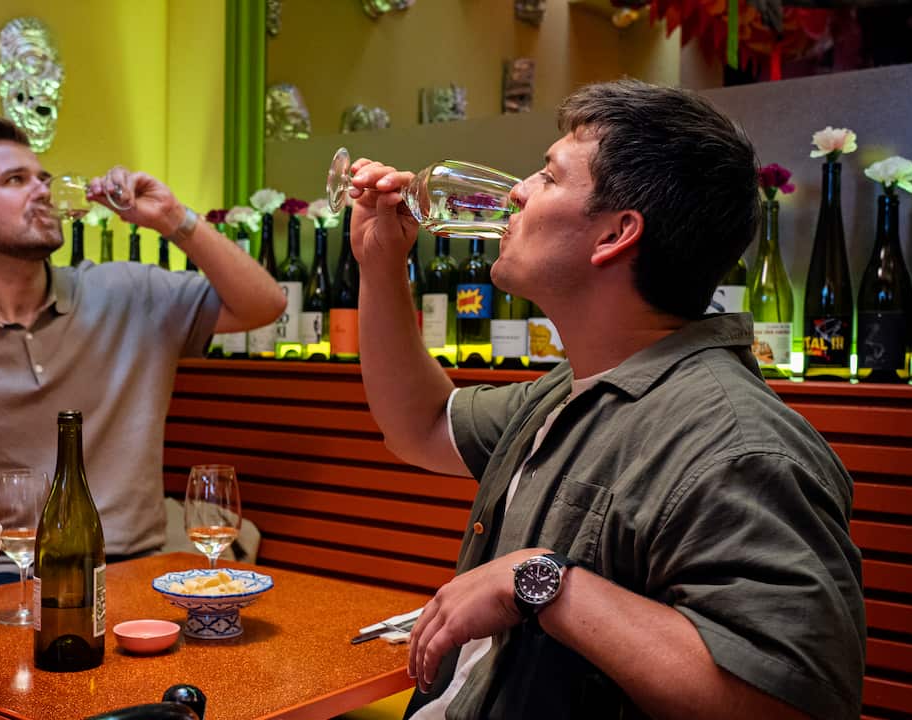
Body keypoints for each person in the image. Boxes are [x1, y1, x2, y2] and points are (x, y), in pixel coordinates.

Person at [349, 80, 864, 719]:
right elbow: (420, 424)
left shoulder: (737, 445)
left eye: (547, 175)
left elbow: (785, 702)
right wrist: (378, 265)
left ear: (616, 234)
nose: (517, 190)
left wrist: (539, 582)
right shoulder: (578, 389)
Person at [0, 117, 285, 611]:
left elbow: (264, 304)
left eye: (43, 178)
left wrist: (172, 218)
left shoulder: (129, 293)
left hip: (130, 571)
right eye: (16, 180)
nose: (42, 189)